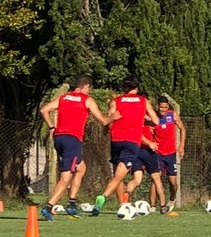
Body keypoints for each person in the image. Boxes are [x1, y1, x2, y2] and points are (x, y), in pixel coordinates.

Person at [38, 76, 116, 220]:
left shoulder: (64, 97)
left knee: (81, 168)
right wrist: (113, 117)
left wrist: (51, 127)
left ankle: (72, 204)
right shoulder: (87, 100)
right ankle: (49, 207)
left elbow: (44, 110)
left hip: (59, 138)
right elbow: (103, 120)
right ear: (86, 86)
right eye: (89, 89)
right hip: (72, 140)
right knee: (66, 176)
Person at [94, 79, 158, 212]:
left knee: (117, 174)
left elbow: (109, 120)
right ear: (137, 88)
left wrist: (108, 130)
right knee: (119, 176)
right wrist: (146, 118)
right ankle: (103, 196)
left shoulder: (115, 101)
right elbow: (156, 120)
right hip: (131, 141)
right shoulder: (143, 101)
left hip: (116, 140)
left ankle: (121, 205)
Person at [153, 95, 186, 214]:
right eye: (161, 107)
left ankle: (172, 199)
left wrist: (181, 145)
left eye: (165, 107)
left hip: (171, 153)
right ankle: (154, 206)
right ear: (157, 106)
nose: (163, 110)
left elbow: (183, 129)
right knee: (156, 179)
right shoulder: (153, 116)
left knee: (173, 182)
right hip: (158, 153)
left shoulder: (173, 115)